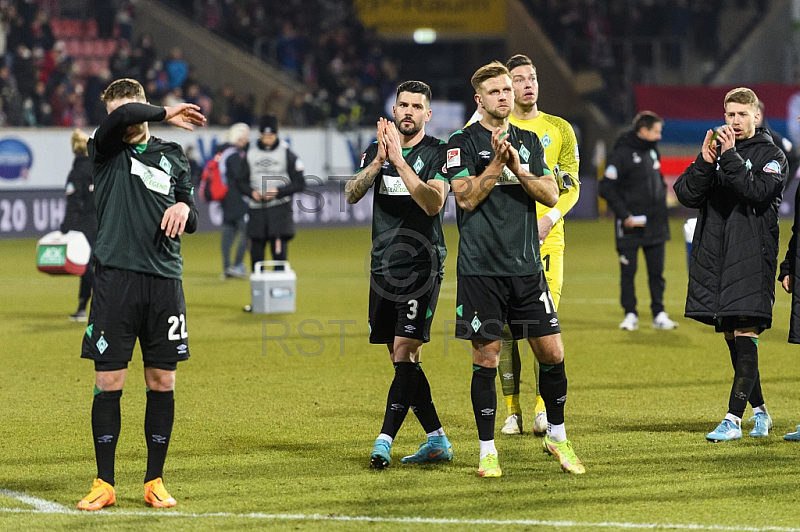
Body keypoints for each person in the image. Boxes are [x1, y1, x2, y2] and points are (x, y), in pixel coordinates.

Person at [436, 62, 583, 477]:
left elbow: (552, 192)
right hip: (481, 269)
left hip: (526, 267)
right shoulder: (460, 142)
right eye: (495, 91)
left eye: (507, 89)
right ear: (478, 99)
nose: (505, 96)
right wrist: (497, 166)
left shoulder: (530, 141)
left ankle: (557, 436)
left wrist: (518, 167)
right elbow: (464, 198)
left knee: (552, 352)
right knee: (487, 357)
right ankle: (487, 450)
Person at [77, 78, 206, 510]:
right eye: (117, 111)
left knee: (162, 380)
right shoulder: (105, 147)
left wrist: (185, 207)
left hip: (165, 280)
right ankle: (104, 483)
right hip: (115, 280)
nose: (125, 118)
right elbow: (128, 116)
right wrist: (163, 111)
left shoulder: (173, 155)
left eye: (131, 108)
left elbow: (192, 214)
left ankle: (154, 480)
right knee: (108, 380)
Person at [345, 80, 452, 470]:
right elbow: (352, 194)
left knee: (405, 350)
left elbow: (433, 203)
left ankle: (384, 440)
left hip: (421, 267)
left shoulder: (440, 153)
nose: (407, 111)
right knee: (401, 358)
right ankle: (437, 439)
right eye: (402, 105)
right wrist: (378, 161)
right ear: (394, 111)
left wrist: (400, 162)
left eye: (415, 106)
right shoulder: (376, 151)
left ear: (428, 113)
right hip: (383, 266)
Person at [674, 87, 786, 442]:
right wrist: (706, 162)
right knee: (732, 337)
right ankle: (762, 414)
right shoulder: (718, 153)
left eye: (742, 114)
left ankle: (732, 420)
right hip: (718, 259)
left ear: (756, 116)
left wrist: (730, 156)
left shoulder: (773, 155)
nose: (735, 121)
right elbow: (686, 194)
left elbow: (756, 192)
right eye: (730, 115)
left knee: (745, 332)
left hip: (752, 257)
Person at [486, 54, 581, 437]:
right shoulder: (489, 129)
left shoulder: (559, 129)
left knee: (544, 328)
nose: (528, 85)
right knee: (506, 331)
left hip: (546, 242)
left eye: (532, 78)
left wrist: (550, 218)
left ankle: (544, 408)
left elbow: (571, 186)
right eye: (519, 79)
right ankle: (512, 411)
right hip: (502, 246)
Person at [598, 111, 678, 331]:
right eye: (656, 131)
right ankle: (630, 314)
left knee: (656, 273)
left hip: (655, 223)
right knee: (628, 272)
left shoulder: (652, 151)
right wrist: (625, 215)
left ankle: (659, 313)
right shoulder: (621, 154)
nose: (659, 136)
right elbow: (606, 187)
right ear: (643, 131)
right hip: (631, 224)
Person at [245, 115, 305, 273]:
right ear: (259, 134)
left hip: (279, 210)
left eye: (271, 136)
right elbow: (238, 181)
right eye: (264, 135)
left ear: (277, 135)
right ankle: (258, 293)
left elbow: (300, 183)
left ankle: (278, 294)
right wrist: (251, 193)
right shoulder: (249, 153)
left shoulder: (287, 154)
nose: (267, 139)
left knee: (279, 259)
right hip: (256, 209)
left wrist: (278, 192)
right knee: (256, 257)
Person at [60, 129, 97, 322]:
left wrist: (65, 227)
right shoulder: (99, 168)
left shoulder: (75, 174)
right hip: (105, 221)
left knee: (87, 266)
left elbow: (73, 203)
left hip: (86, 224)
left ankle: (83, 308)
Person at [217, 122, 251, 278]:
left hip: (226, 198)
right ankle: (237, 265)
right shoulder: (235, 155)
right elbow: (239, 176)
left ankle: (226, 267)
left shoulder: (223, 153)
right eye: (245, 136)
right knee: (246, 231)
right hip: (237, 197)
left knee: (228, 232)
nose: (247, 139)